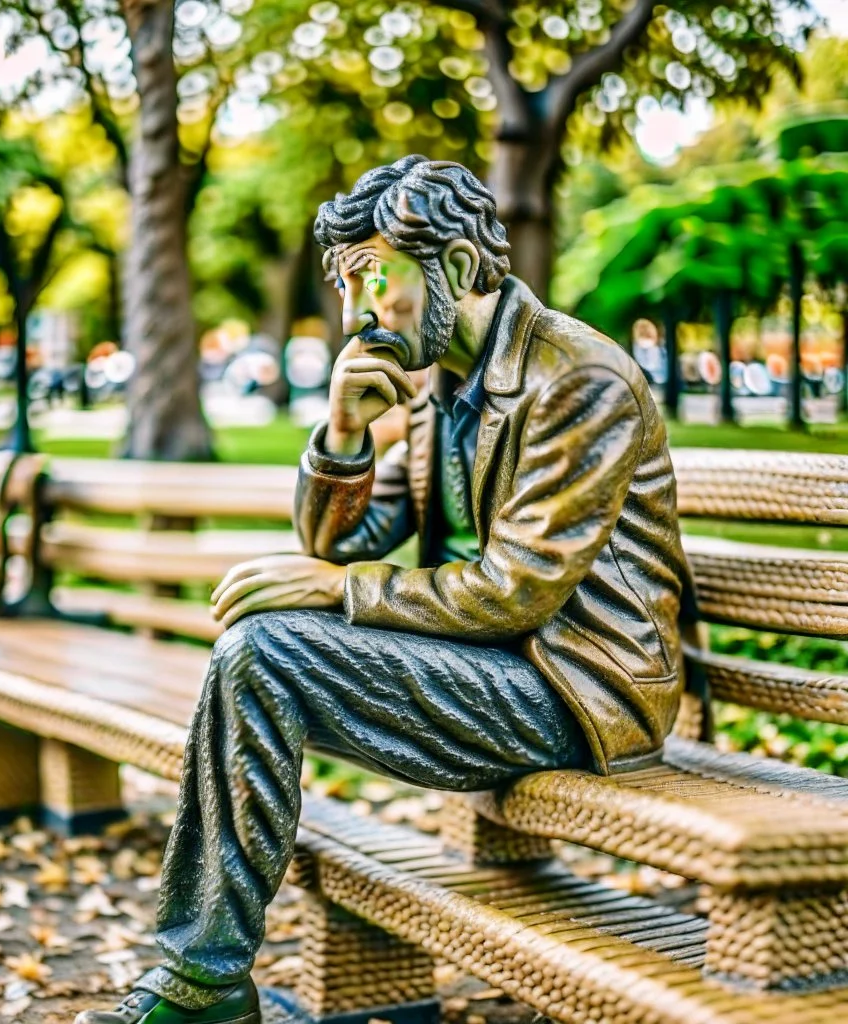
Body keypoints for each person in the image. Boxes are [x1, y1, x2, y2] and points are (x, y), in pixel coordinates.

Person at [76, 156, 693, 1024]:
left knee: (263, 653)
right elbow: (342, 541)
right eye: (346, 282)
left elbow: (517, 592)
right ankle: (200, 982)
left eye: (375, 277)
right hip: (492, 667)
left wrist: (336, 591)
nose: (356, 311)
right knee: (258, 655)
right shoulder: (438, 382)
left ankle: (200, 987)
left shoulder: (576, 380)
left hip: (581, 689)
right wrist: (342, 434)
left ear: (464, 267)